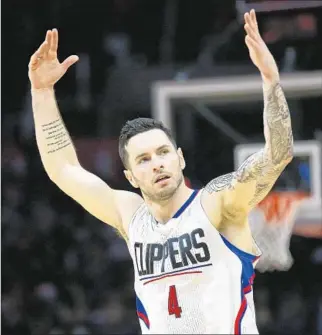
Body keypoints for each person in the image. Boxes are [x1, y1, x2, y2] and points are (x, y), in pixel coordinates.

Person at [29, 9, 293, 334]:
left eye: (163, 152)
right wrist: (41, 93)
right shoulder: (132, 217)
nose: (157, 163)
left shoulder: (217, 205)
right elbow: (63, 169)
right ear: (130, 178)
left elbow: (277, 155)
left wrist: (270, 80)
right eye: (143, 159)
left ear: (179, 159)